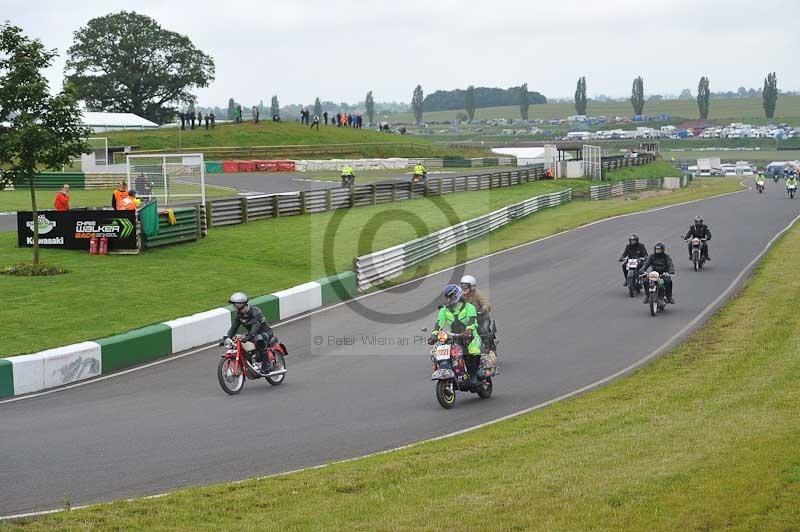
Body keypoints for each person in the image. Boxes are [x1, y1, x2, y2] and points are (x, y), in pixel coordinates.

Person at [429, 284, 482, 385]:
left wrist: (468, 331)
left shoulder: (469, 307)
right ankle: (450, 371)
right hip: (453, 337)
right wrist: (434, 335)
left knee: (473, 350)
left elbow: (472, 322)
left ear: (456, 296)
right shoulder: (443, 310)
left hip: (471, 337)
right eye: (446, 297)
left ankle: (473, 375)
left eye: (450, 297)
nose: (447, 300)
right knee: (439, 351)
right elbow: (439, 324)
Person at [225, 292, 277, 373]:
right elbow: (234, 327)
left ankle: (266, 363)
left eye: (234, 305)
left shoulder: (255, 312)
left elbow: (255, 327)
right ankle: (250, 361)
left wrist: (248, 337)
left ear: (239, 305)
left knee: (258, 339)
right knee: (237, 340)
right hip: (252, 334)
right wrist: (227, 337)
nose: (233, 306)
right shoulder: (239, 315)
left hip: (266, 333)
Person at [460, 275, 495, 352]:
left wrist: (484, 308)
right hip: (467, 320)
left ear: (471, 286)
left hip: (481, 319)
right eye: (462, 285)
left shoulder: (477, 294)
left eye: (466, 286)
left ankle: (487, 349)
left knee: (483, 331)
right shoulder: (460, 295)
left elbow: (486, 303)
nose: (463, 288)